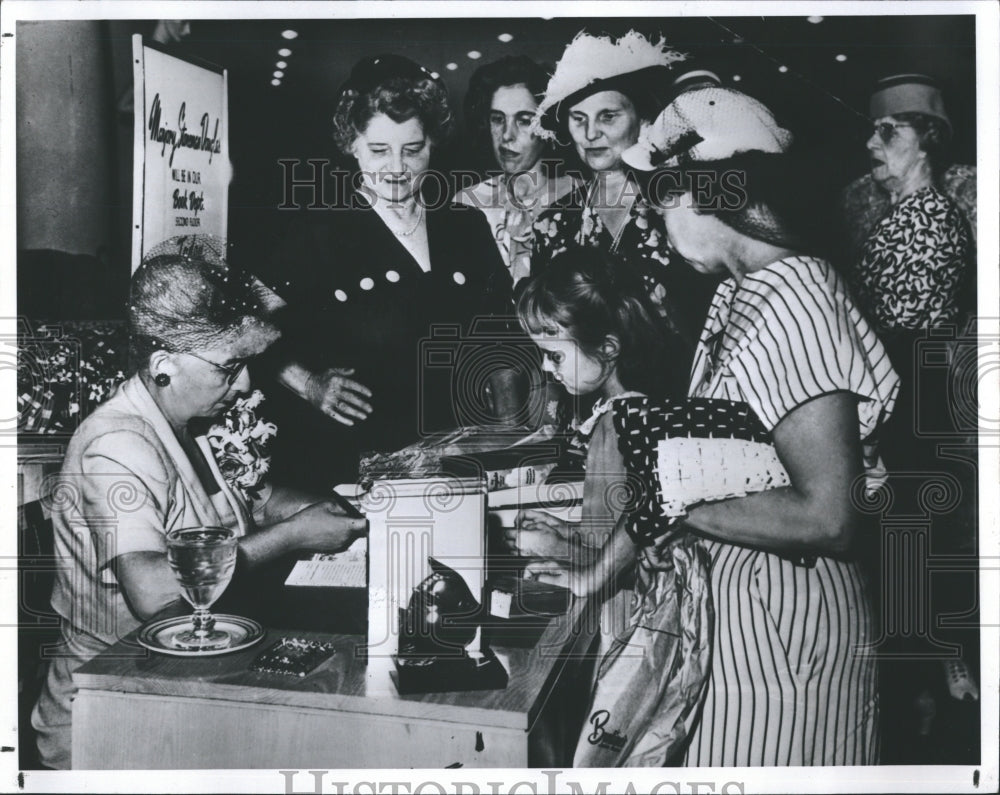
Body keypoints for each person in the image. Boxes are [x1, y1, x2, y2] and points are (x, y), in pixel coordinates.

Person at [619, 87, 900, 765]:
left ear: (706, 188)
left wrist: (680, 511)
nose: (655, 226)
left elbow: (829, 513)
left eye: (660, 200)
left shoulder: (797, 293)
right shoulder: (739, 294)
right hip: (742, 624)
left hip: (786, 630)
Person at [30, 252, 367, 769]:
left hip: (186, 680)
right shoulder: (118, 445)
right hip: (113, 715)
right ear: (164, 366)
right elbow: (153, 592)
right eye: (230, 368)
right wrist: (292, 537)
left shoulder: (189, 422)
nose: (247, 385)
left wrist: (334, 510)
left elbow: (252, 497)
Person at [253, 55, 519, 488]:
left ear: (433, 143)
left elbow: (499, 333)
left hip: (459, 460)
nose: (397, 168)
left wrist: (508, 431)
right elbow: (238, 320)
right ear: (351, 144)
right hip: (354, 468)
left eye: (413, 150)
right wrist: (306, 383)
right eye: (378, 150)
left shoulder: (464, 225)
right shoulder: (319, 233)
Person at [508, 247, 710, 767]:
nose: (547, 369)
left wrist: (583, 574)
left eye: (555, 355)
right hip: (629, 608)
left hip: (634, 620)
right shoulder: (635, 410)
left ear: (609, 347)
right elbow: (621, 528)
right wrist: (566, 536)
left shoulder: (617, 424)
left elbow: (642, 522)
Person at [527, 31, 713, 348]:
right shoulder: (552, 223)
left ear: (641, 120)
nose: (590, 133)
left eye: (608, 116)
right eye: (578, 118)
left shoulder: (679, 207)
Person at [456, 55, 580, 285]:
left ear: (548, 126)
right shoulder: (466, 202)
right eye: (497, 119)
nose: (506, 135)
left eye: (523, 120)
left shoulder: (582, 199)